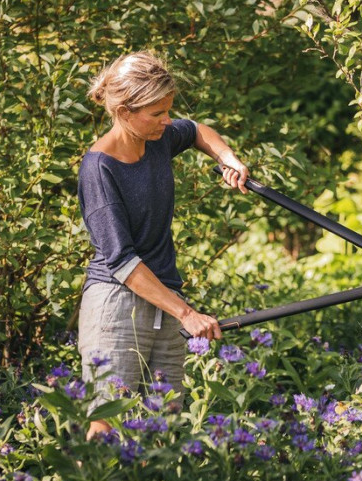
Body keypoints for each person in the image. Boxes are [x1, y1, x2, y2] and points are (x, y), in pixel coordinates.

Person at [76, 51, 250, 440]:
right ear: (123, 111)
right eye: (157, 113)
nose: (167, 121)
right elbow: (121, 261)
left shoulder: (155, 139)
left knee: (166, 421)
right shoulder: (99, 170)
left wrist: (228, 158)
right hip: (116, 303)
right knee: (107, 421)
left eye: (167, 111)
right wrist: (187, 313)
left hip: (164, 297)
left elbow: (196, 130)